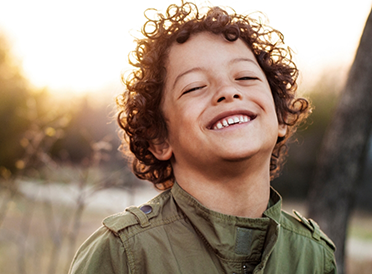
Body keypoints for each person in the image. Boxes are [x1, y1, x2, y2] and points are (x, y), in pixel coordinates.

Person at [69, 1, 337, 273]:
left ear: (280, 117)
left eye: (245, 76)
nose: (227, 91)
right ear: (160, 140)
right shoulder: (123, 254)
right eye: (194, 87)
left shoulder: (314, 257)